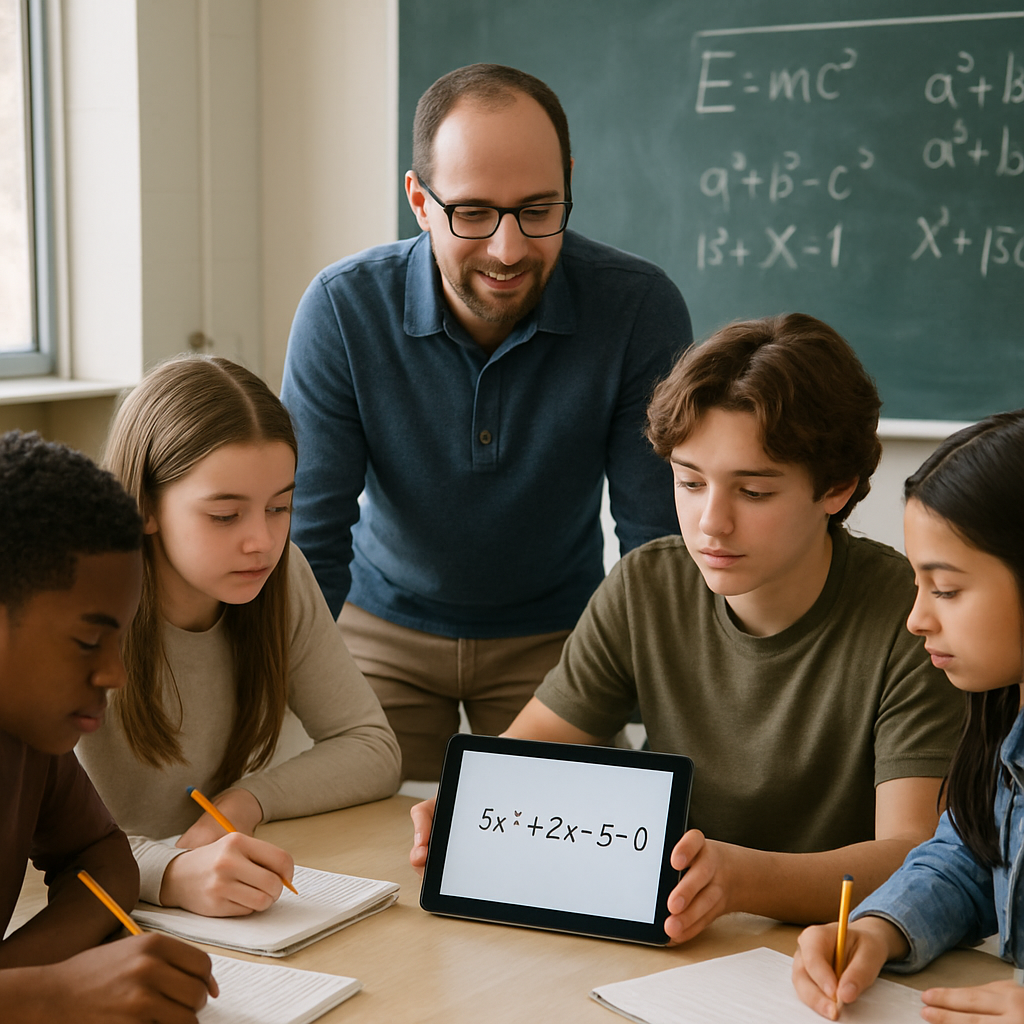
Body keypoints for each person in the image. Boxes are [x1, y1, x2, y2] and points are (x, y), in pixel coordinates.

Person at [410, 313, 963, 943]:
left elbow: (911, 853)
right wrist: (474, 812)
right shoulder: (647, 585)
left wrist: (742, 881)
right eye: (690, 482)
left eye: (753, 492)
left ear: (836, 488)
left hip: (832, 948)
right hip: (675, 940)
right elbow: (526, 755)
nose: (710, 524)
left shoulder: (913, 618)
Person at [280, 63, 692, 781]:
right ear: (419, 199)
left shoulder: (637, 308)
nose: (508, 250)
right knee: (353, 842)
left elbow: (655, 545)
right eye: (472, 213)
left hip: (558, 638)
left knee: (571, 855)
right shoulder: (342, 310)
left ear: (568, 181)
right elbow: (311, 538)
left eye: (538, 210)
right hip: (381, 632)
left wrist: (676, 730)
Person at [76, 355, 401, 918]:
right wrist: (170, 875)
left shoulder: (282, 577)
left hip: (205, 903)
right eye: (225, 515)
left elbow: (371, 748)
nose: (262, 542)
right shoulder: (76, 609)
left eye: (280, 507)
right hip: (83, 908)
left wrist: (245, 801)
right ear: (146, 506)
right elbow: (37, 836)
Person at [793, 409, 1024, 1022]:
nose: (917, 618)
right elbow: (968, 860)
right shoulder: (1006, 722)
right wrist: (877, 929)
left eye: (944, 589)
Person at [0, 430, 217, 1023]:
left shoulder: (27, 732)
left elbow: (101, 858)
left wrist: (17, 979)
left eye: (121, 636)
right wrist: (49, 995)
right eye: (89, 641)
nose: (116, 673)